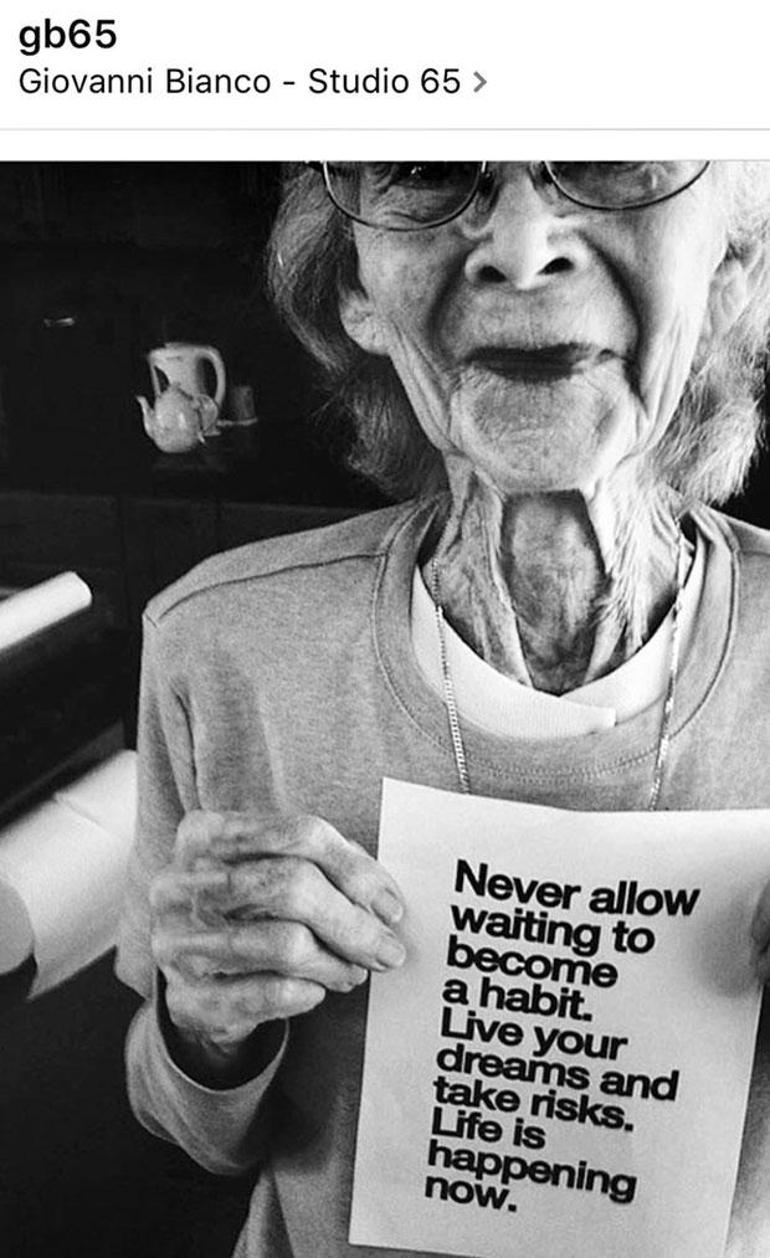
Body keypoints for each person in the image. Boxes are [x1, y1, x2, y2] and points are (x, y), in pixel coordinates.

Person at [117, 162, 770, 1257]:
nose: (519, 246)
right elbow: (187, 1129)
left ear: (732, 264)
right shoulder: (219, 645)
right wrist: (203, 1027)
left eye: (612, 158)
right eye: (426, 169)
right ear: (356, 288)